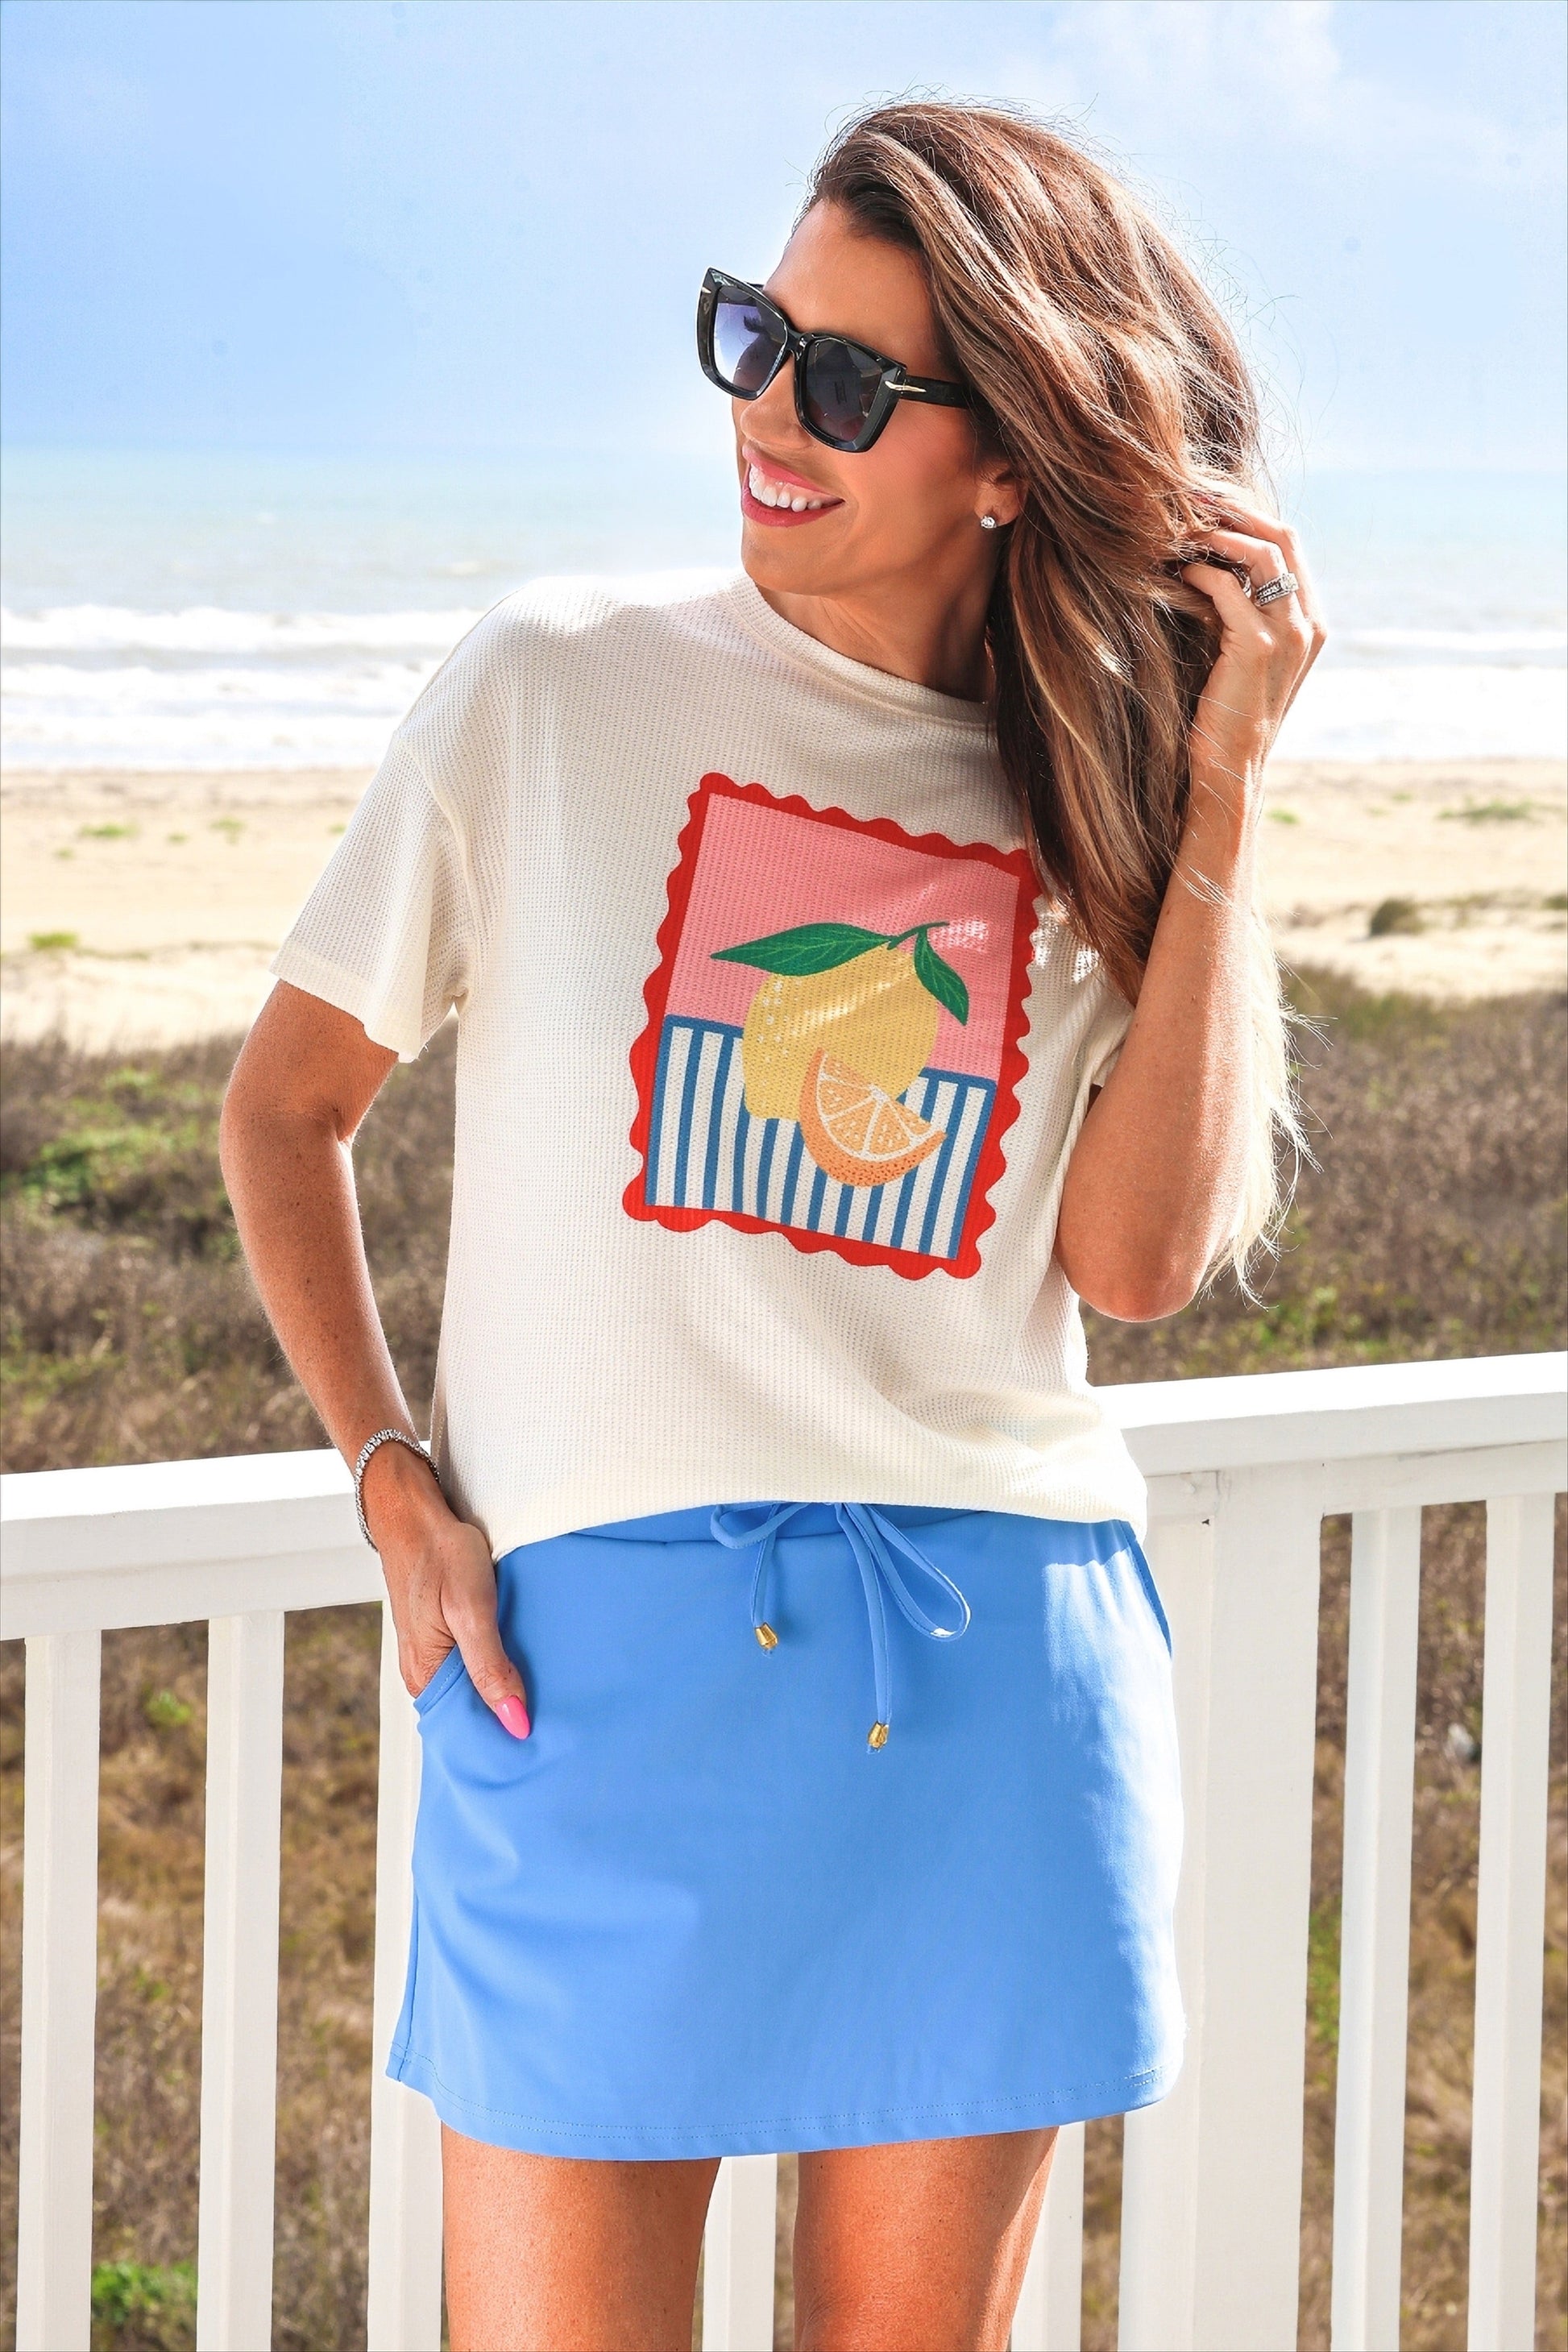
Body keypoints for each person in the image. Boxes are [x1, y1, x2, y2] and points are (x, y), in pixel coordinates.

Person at [221, 97, 1321, 2352]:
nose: (766, 413)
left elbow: (1129, 1270)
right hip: (588, 1680)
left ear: (1006, 460)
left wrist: (1215, 796)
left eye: (843, 381)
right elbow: (285, 1109)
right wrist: (391, 1476)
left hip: (991, 1670)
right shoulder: (550, 684)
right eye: (753, 337)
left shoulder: (1092, 804)